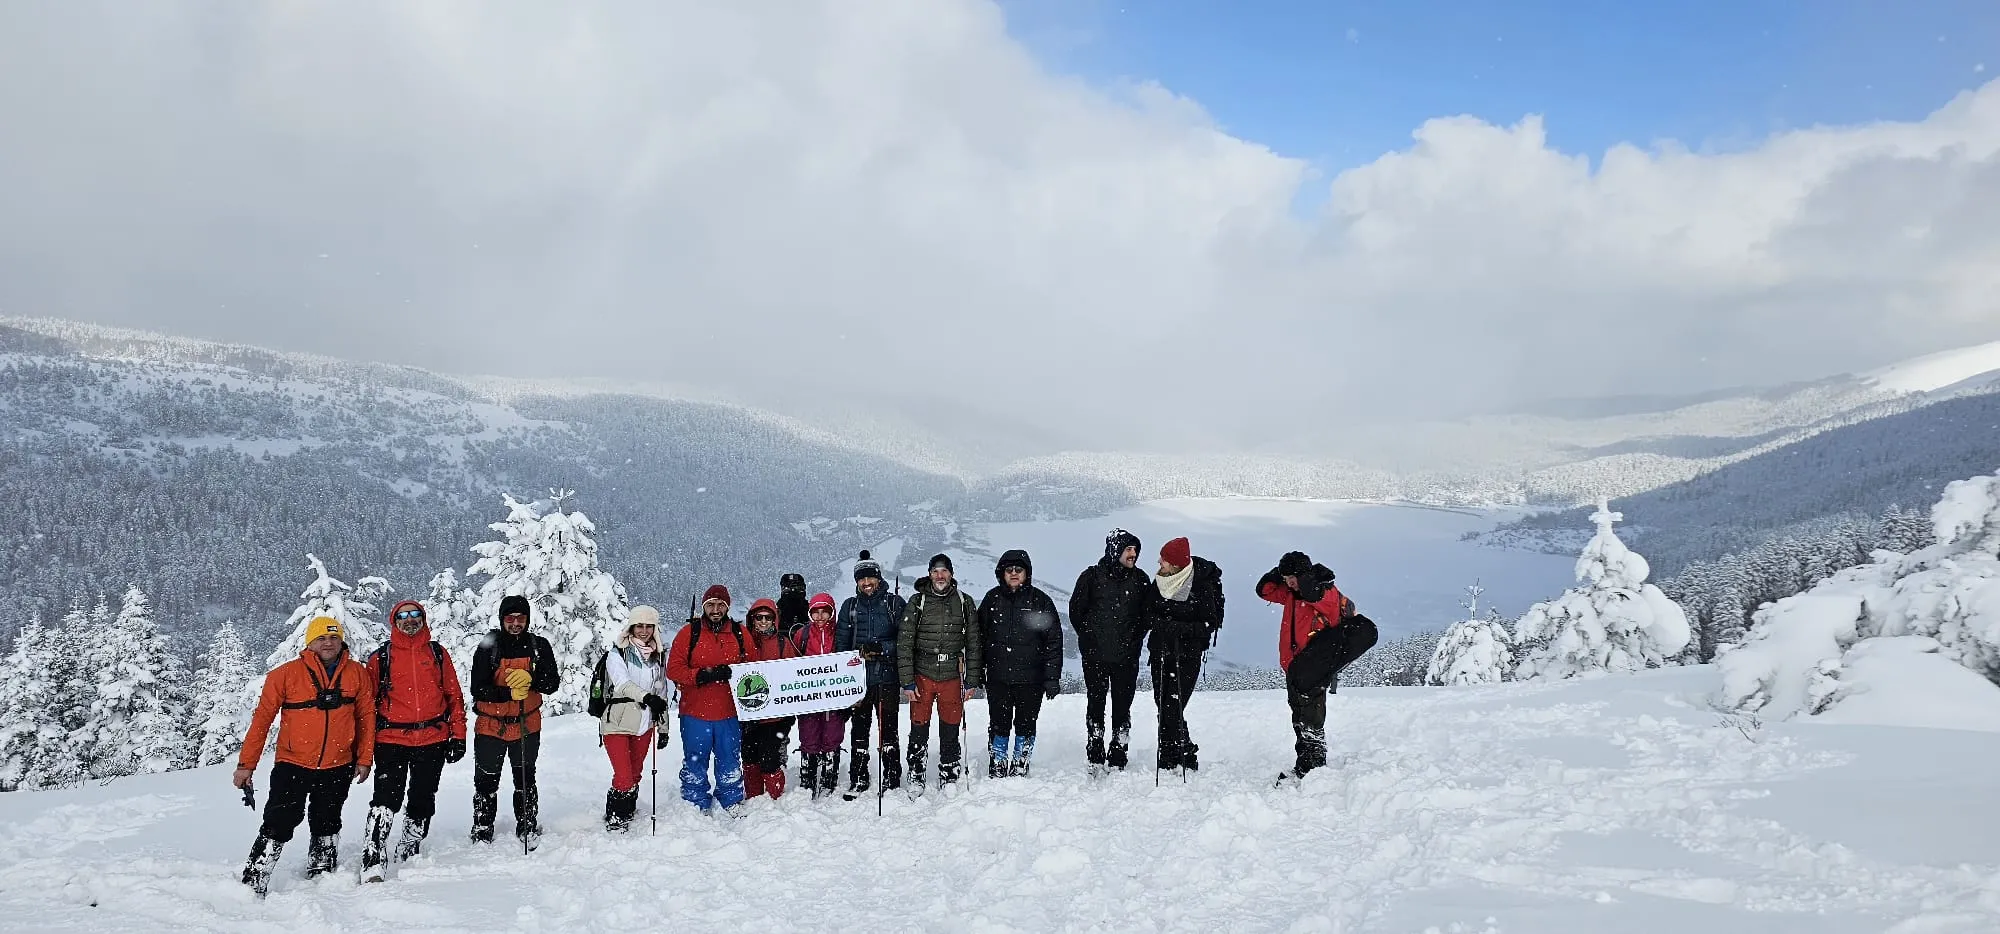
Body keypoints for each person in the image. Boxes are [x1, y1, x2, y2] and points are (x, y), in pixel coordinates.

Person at [234, 616, 375, 897]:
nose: (328, 643)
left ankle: (321, 870)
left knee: (328, 817)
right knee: (280, 818)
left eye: (334, 637)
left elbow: (366, 717)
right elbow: (262, 720)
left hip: (338, 763)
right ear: (309, 642)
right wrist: (246, 765)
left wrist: (364, 758)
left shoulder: (357, 674)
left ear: (341, 640)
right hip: (292, 762)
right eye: (321, 638)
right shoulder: (285, 675)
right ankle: (256, 875)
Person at [359, 600, 466, 879]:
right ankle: (373, 853)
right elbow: (366, 706)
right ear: (394, 622)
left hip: (432, 738)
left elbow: (454, 697)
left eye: (415, 615)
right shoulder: (381, 657)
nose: (410, 620)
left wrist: (459, 735)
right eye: (403, 616)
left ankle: (409, 845)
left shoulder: (437, 653)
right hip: (391, 738)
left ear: (423, 618)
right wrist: (363, 748)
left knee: (423, 796)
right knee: (385, 798)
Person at [1258, 551, 1378, 784]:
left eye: (1292, 577)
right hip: (1296, 667)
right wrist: (1282, 573)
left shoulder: (1324, 594)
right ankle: (1307, 762)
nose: (1288, 583)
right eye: (1286, 578)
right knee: (1299, 712)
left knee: (1310, 714)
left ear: (1304, 576)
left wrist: (1308, 581)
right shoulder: (1292, 594)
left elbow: (1327, 606)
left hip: (1313, 665)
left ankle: (1313, 767)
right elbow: (1264, 590)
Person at [468, 594, 560, 848]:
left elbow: (552, 683)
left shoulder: (539, 646)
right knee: (486, 778)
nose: (516, 623)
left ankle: (528, 824)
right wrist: (507, 693)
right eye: (510, 618)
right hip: (490, 724)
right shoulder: (489, 646)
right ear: (502, 619)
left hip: (526, 724)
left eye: (521, 618)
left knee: (525, 776)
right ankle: (482, 826)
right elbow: (477, 689)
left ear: (528, 620)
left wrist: (531, 680)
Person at [1069, 528, 1153, 772]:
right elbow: (1076, 611)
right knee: (1095, 701)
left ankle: (1119, 747)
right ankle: (1095, 746)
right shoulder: (1091, 577)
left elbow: (1146, 615)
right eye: (1128, 549)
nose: (1133, 554)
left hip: (1127, 656)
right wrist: (1090, 637)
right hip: (1095, 656)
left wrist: (1135, 638)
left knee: (1123, 704)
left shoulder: (1140, 580)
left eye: (1135, 550)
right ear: (1115, 550)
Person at [897, 553, 982, 793]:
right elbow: (904, 643)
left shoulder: (964, 602)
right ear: (929, 574)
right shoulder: (917, 601)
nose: (940, 575)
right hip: (922, 675)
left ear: (952, 574)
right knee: (919, 726)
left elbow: (974, 643)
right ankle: (916, 773)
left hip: (953, 677)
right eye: (935, 571)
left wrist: (972, 679)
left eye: (944, 571)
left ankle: (949, 772)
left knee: (950, 726)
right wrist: (907, 681)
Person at [667, 584, 753, 815]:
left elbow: (754, 669)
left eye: (720, 605)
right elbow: (673, 669)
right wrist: (701, 675)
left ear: (727, 607)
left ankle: (731, 797)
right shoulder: (689, 633)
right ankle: (695, 799)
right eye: (711, 605)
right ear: (704, 606)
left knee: (729, 758)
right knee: (695, 758)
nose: (715, 609)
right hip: (695, 711)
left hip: (730, 710)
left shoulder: (739, 633)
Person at [978, 549, 1063, 778]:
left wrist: (1052, 677)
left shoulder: (1040, 601)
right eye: (1009, 570)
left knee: (1026, 723)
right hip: (998, 677)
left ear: (1027, 573)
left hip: (1031, 679)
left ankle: (1020, 762)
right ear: (1001, 573)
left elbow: (1053, 641)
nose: (1014, 573)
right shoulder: (991, 600)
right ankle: (998, 761)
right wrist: (976, 671)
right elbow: (978, 638)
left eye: (1019, 569)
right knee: (999, 722)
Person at [1146, 537, 1223, 774]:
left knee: (1173, 705)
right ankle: (1173, 752)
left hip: (1187, 655)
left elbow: (1211, 622)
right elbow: (1147, 611)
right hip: (1160, 651)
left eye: (1165, 559)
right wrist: (1161, 623)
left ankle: (1182, 752)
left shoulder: (1202, 585)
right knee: (1163, 703)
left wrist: (1175, 626)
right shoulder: (1159, 580)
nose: (1159, 562)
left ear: (1177, 564)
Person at [836, 550, 905, 797]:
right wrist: (845, 677)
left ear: (878, 578)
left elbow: (905, 642)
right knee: (860, 730)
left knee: (889, 730)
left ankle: (891, 777)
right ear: (856, 582)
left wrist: (881, 649)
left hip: (887, 677)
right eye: (861, 579)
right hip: (859, 680)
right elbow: (841, 647)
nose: (866, 583)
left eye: (870, 578)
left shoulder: (894, 604)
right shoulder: (849, 607)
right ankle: (859, 777)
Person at [598, 605, 671, 832]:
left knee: (636, 772)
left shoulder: (657, 656)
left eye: (649, 626)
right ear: (631, 626)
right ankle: (616, 818)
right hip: (617, 721)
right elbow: (622, 683)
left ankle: (626, 809)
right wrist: (647, 697)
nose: (644, 630)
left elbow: (661, 691)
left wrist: (664, 726)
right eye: (640, 625)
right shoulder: (616, 653)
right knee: (624, 775)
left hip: (644, 723)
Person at [791, 592, 847, 800]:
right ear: (810, 613)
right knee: (808, 735)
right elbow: (792, 666)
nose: (821, 617)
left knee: (832, 734)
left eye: (825, 612)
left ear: (832, 613)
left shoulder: (840, 633)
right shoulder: (803, 635)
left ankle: (828, 778)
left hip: (834, 697)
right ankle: (808, 778)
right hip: (809, 698)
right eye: (816, 612)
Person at [742, 597, 796, 800]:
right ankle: (754, 795)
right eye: (759, 617)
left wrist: (789, 711)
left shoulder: (783, 644)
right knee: (749, 757)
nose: (763, 621)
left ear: (775, 619)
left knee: (769, 759)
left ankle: (775, 796)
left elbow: (791, 676)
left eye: (768, 617)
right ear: (752, 619)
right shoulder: (744, 640)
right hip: (749, 713)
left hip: (774, 716)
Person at [777, 573, 810, 642]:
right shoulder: (776, 610)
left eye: (798, 588)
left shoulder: (811, 610)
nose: (793, 591)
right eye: (788, 588)